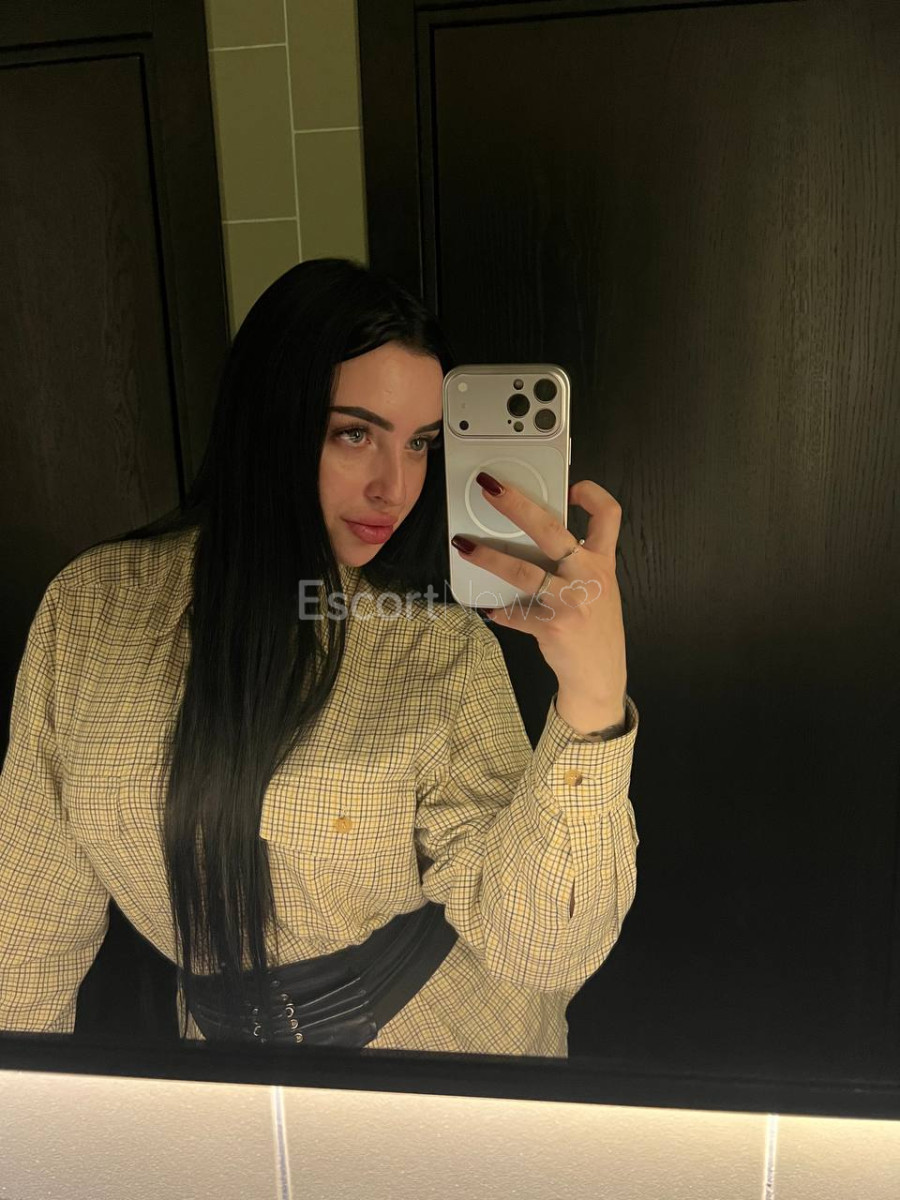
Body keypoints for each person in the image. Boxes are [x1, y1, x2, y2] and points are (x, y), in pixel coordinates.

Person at [0, 258, 639, 1057]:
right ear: (268, 419)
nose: (394, 487)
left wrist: (593, 699)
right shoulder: (92, 611)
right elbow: (27, 921)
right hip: (217, 1065)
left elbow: (543, 949)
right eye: (354, 434)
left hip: (445, 1046)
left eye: (420, 444)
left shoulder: (435, 645)